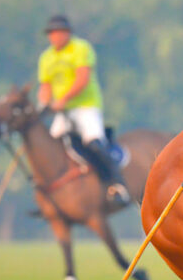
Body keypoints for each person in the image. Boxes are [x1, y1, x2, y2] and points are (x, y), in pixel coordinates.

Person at [37, 15, 130, 205]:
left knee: (93, 142)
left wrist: (63, 99)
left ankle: (117, 185)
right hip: (63, 112)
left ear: (67, 33)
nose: (54, 37)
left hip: (86, 106)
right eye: (51, 33)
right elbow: (45, 87)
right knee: (50, 146)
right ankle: (53, 195)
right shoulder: (46, 57)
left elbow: (82, 79)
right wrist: (43, 104)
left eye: (57, 32)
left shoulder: (80, 48)